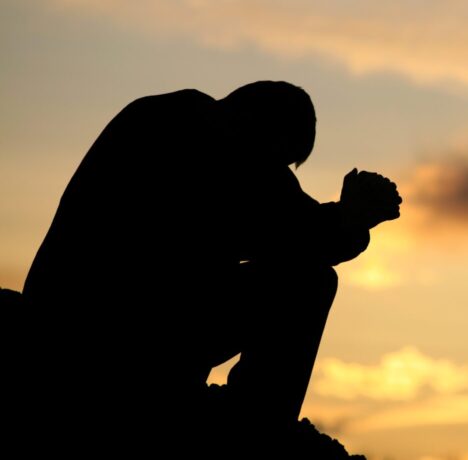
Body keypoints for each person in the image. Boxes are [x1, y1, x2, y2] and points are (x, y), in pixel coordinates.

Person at [21, 81, 401, 452]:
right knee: (309, 283)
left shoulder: (168, 118)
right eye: (281, 158)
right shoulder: (210, 135)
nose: (278, 172)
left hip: (76, 312)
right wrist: (350, 219)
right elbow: (293, 231)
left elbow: (281, 225)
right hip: (114, 333)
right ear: (269, 129)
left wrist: (344, 222)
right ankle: (254, 431)